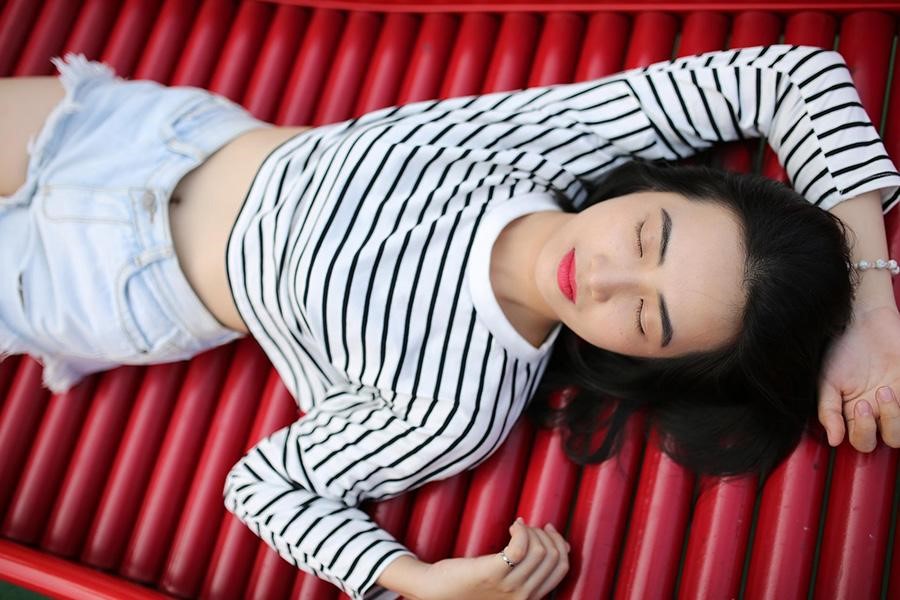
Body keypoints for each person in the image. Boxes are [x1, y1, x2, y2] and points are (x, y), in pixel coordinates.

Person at [1, 43, 899, 599]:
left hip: (104, 288)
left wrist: (412, 581)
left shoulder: (457, 404)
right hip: (146, 137)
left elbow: (266, 486)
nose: (609, 278)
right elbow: (794, 76)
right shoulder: (543, 142)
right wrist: (869, 297)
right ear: (662, 184)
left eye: (652, 319)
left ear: (658, 364)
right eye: (648, 234)